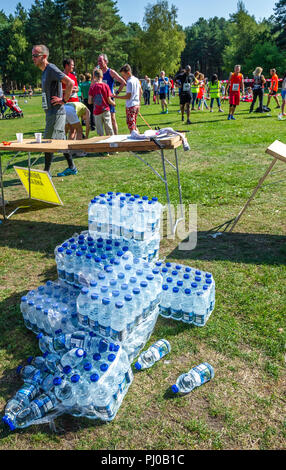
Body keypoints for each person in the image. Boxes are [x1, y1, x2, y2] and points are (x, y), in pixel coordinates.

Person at [32, 44, 77, 177]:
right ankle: (72, 167)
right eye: (32, 56)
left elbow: (70, 83)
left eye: (35, 55)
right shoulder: (45, 72)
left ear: (44, 57)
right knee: (61, 142)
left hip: (56, 113)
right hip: (50, 112)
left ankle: (46, 171)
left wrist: (63, 100)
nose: (33, 58)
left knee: (48, 141)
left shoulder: (51, 68)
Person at [97, 53, 127, 134]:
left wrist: (116, 93)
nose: (98, 63)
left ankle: (116, 137)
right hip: (100, 100)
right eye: (98, 61)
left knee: (112, 119)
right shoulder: (97, 72)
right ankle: (106, 138)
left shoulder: (111, 72)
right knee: (102, 120)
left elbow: (123, 82)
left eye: (100, 61)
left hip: (109, 99)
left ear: (106, 61)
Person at [115, 63, 142, 133]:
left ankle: (135, 141)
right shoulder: (136, 80)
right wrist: (139, 103)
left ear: (128, 73)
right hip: (136, 105)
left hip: (130, 106)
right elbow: (140, 92)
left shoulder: (129, 82)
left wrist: (116, 96)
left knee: (131, 127)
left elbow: (128, 96)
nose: (123, 77)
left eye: (124, 75)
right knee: (134, 125)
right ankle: (138, 139)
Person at [88, 68, 115, 136]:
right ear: (102, 76)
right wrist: (114, 103)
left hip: (97, 111)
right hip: (105, 110)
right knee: (109, 129)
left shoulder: (92, 87)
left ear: (94, 77)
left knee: (100, 132)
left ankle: (102, 145)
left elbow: (89, 101)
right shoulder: (106, 86)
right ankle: (112, 144)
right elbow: (109, 100)